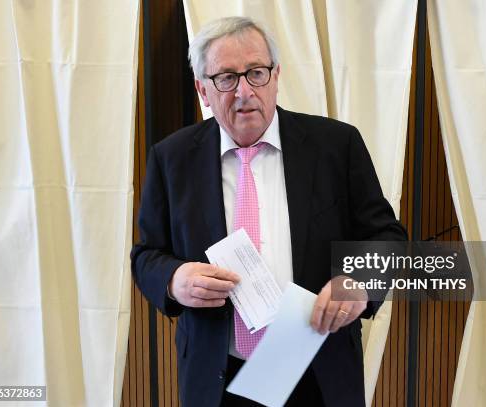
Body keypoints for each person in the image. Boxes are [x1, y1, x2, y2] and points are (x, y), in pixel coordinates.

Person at [131, 16, 407, 407]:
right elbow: (146, 255)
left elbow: (389, 239)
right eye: (226, 78)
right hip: (218, 377)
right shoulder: (171, 158)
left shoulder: (336, 145)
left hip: (318, 370)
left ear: (276, 75)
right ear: (202, 90)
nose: (244, 91)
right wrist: (175, 279)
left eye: (256, 73)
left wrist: (358, 281)